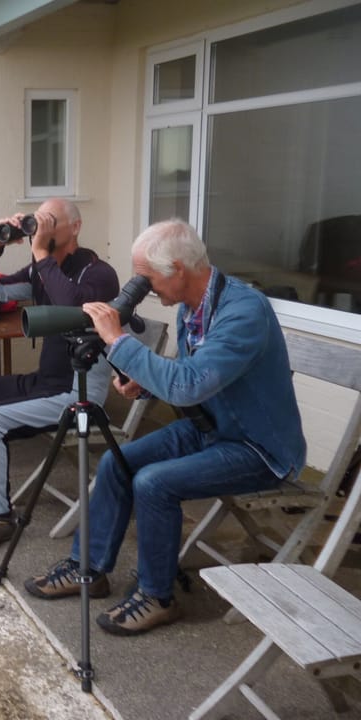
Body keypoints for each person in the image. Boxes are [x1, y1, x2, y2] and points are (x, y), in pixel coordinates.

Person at [24, 218, 306, 636]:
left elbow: (189, 385)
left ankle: (157, 596)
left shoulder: (243, 311)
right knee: (115, 463)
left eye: (148, 278)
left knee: (154, 483)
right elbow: (194, 374)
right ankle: (88, 568)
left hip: (258, 447)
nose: (145, 288)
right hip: (209, 427)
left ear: (177, 269)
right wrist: (145, 383)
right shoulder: (195, 306)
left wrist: (118, 341)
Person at [0, 199, 120, 554]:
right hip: (44, 382)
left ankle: (0, 517)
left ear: (75, 228)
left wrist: (39, 253)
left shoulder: (99, 274)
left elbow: (70, 304)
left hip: (77, 393)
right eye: (39, 220)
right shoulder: (43, 269)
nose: (42, 226)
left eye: (50, 220)